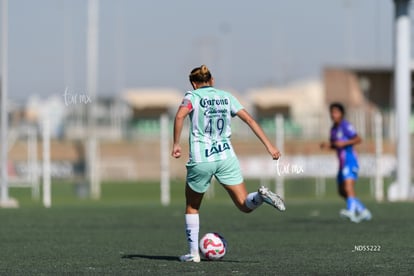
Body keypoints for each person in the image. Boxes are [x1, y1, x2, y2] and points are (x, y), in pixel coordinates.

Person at [172, 65, 286, 262]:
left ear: (193, 83)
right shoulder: (227, 97)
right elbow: (249, 120)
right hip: (226, 156)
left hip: (202, 158)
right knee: (244, 204)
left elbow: (180, 115)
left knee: (192, 206)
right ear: (212, 80)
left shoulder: (192, 96)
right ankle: (261, 196)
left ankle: (193, 254)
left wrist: (176, 144)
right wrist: (270, 146)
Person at [320, 102, 372, 223]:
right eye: (332, 112)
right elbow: (335, 145)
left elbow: (358, 139)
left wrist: (344, 143)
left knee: (348, 187)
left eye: (336, 112)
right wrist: (328, 145)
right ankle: (363, 211)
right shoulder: (333, 129)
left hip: (350, 160)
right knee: (342, 191)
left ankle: (351, 211)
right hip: (342, 163)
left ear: (342, 113)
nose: (333, 114)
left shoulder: (345, 126)